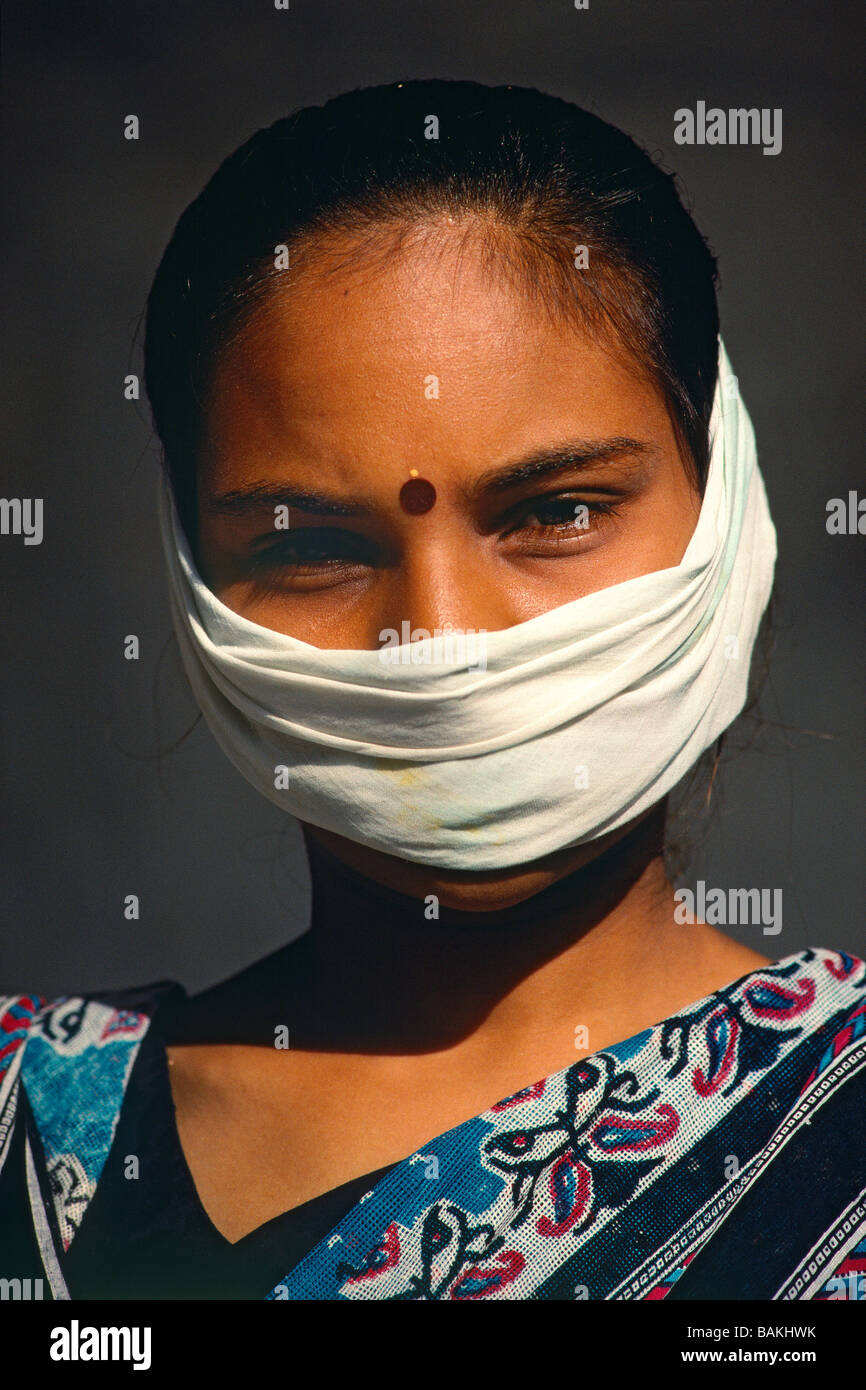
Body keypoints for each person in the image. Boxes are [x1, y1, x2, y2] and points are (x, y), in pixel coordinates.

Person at [2, 80, 864, 1302]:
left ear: (723, 508)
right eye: (311, 544)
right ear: (192, 561)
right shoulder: (30, 1117)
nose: (438, 643)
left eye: (554, 512)